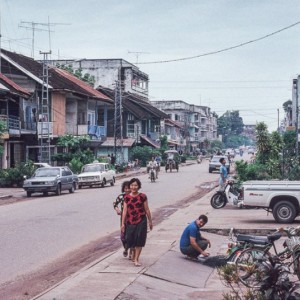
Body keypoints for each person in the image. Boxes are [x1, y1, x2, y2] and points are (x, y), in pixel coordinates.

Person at [121, 178, 153, 267]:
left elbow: (147, 209)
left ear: (138, 186)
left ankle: (136, 259)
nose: (133, 187)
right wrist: (123, 224)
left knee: (140, 240)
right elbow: (124, 211)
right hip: (130, 221)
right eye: (132, 185)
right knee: (130, 239)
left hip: (141, 220)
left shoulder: (143, 196)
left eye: (135, 185)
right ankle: (133, 253)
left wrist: (150, 221)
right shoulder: (126, 197)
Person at [113, 181, 131, 257]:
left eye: (128, 188)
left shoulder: (134, 196)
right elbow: (115, 203)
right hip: (123, 219)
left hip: (133, 219)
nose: (127, 190)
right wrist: (117, 210)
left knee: (130, 236)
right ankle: (126, 248)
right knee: (123, 236)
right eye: (125, 188)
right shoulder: (121, 196)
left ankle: (130, 252)